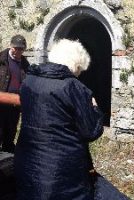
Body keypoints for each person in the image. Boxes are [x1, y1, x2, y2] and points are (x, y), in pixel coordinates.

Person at [14, 39, 104, 200]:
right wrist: (95, 109)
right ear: (75, 65)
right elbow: (91, 131)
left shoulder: (29, 81)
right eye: (79, 70)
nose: (78, 74)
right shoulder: (74, 87)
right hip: (61, 171)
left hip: (28, 162)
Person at [0, 34, 29, 153]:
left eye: (21, 49)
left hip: (15, 104)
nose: (18, 51)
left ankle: (8, 159)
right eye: (16, 48)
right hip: (1, 103)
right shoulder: (1, 59)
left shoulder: (25, 64)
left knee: (11, 131)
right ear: (10, 46)